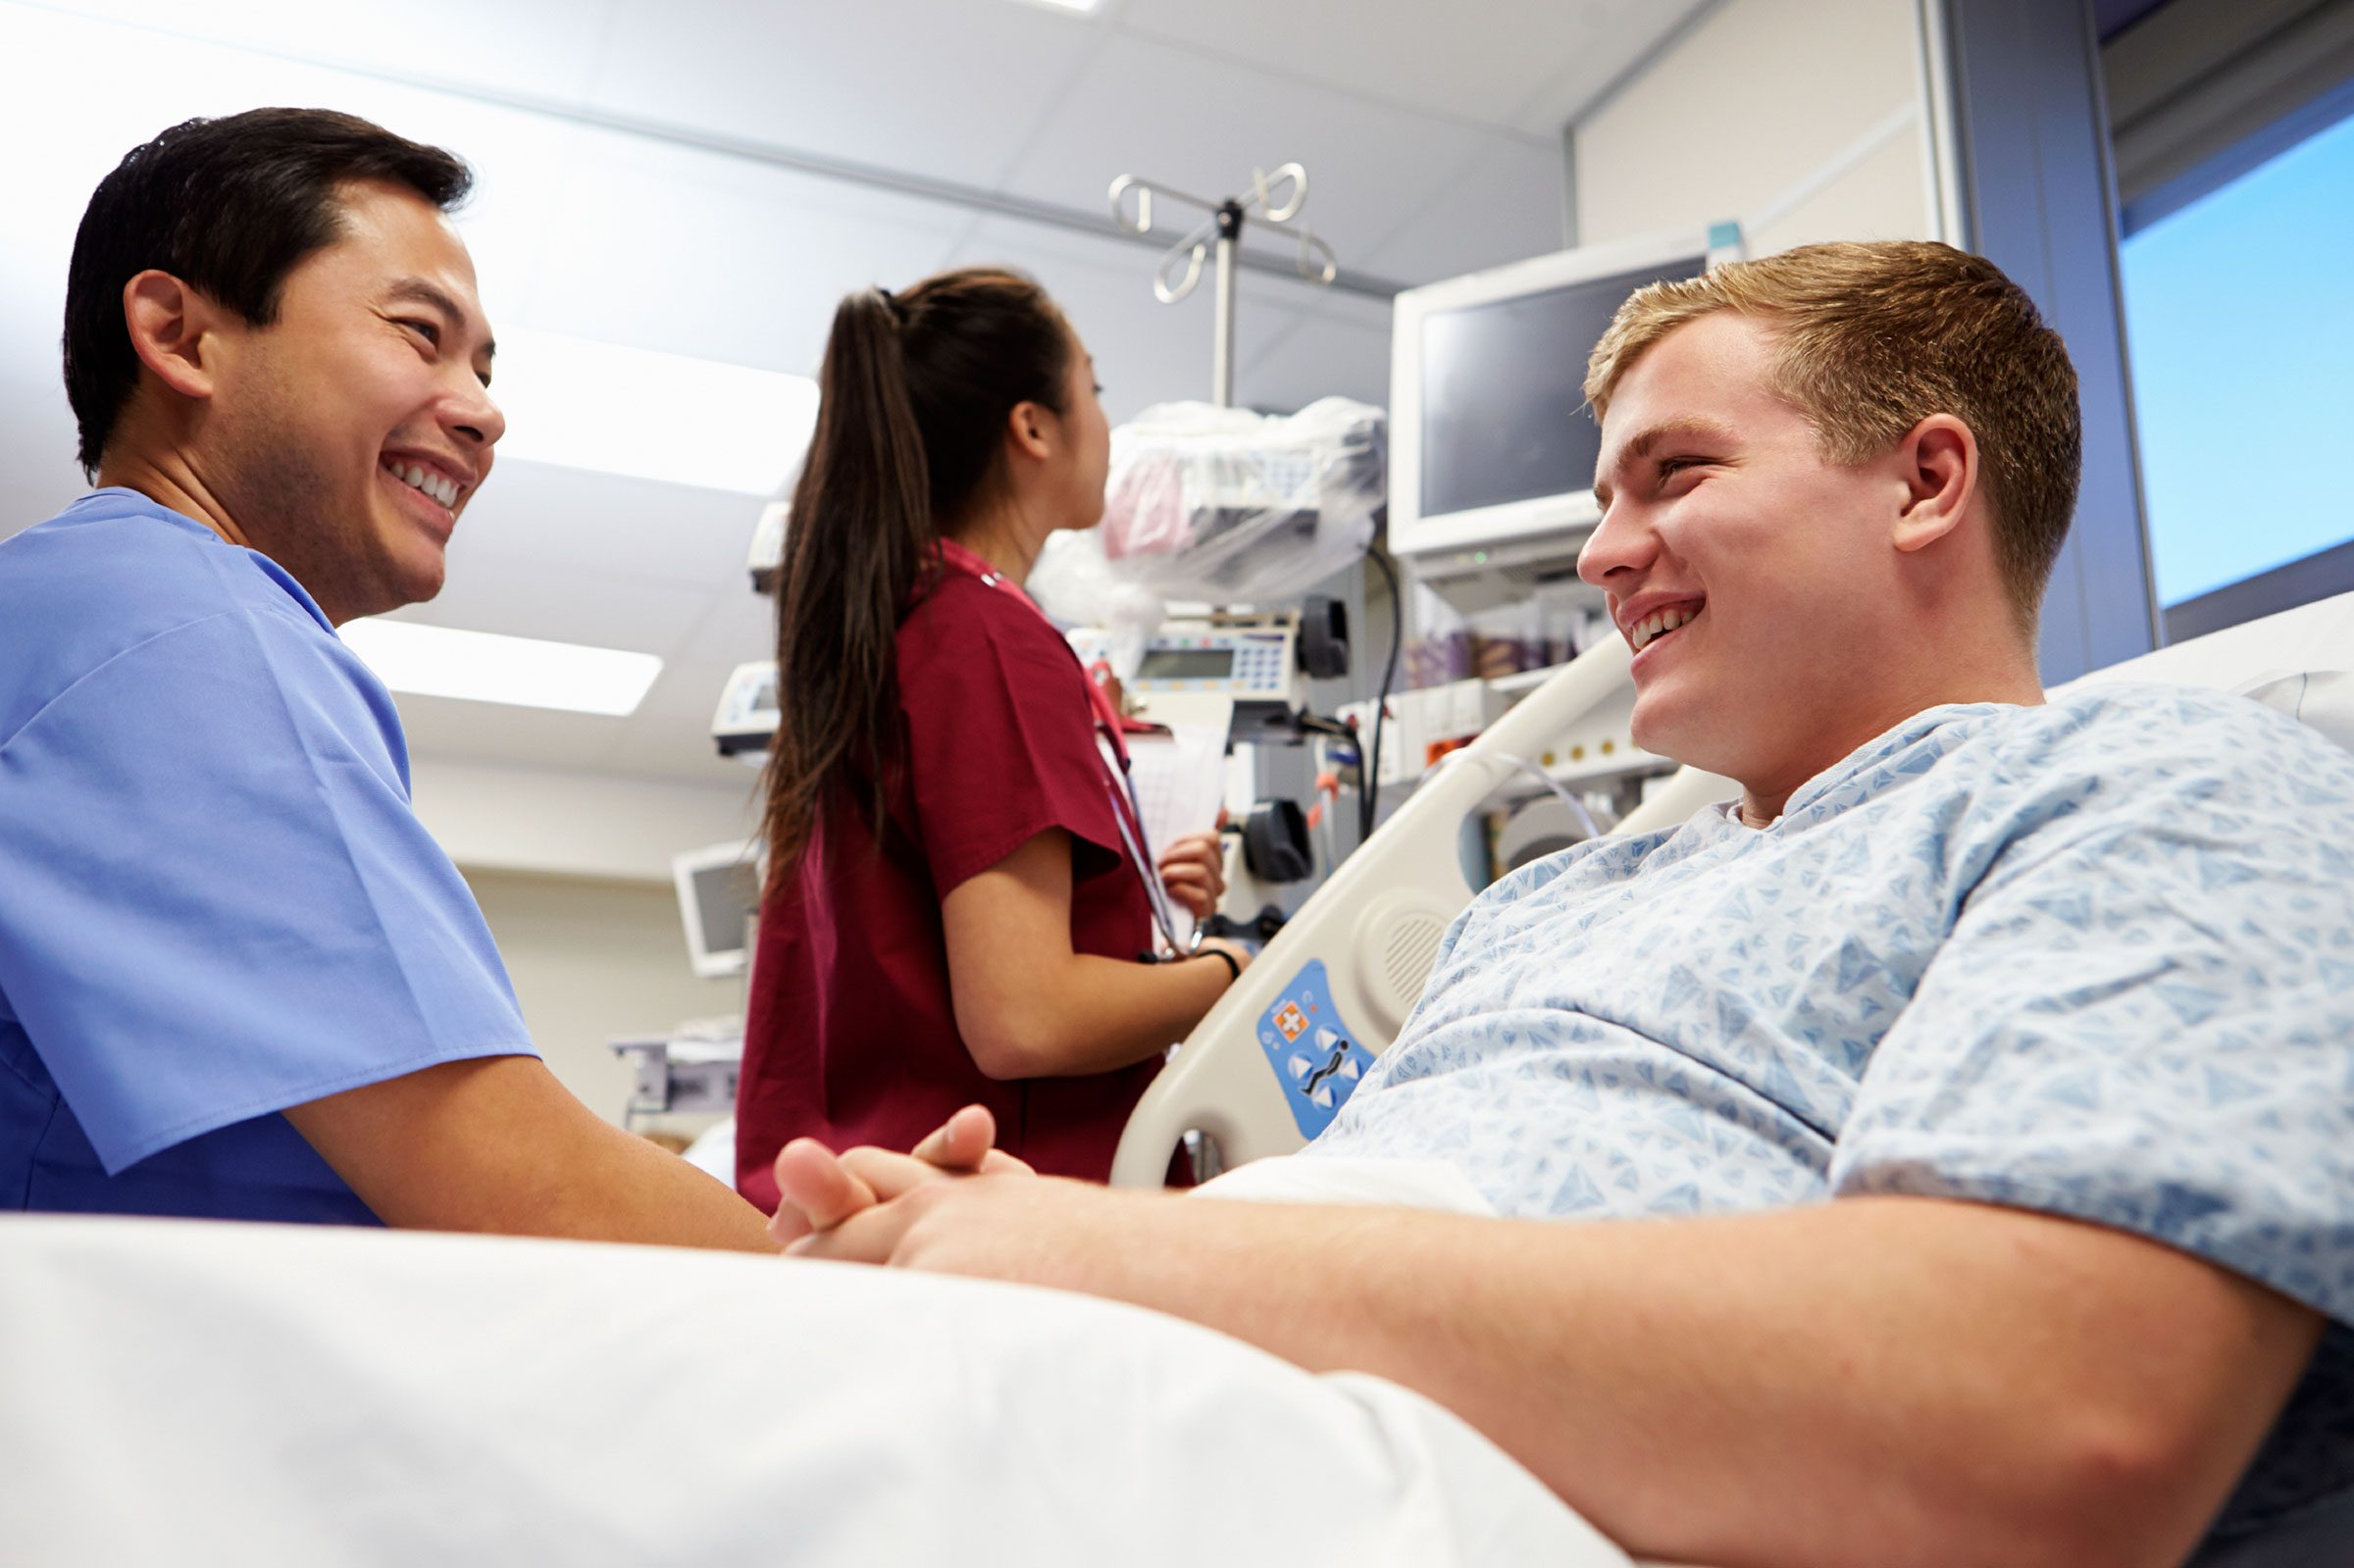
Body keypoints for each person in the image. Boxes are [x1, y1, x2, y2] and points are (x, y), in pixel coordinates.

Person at [765, 241, 2354, 1567]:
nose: (1605, 549)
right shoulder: (1549, 902)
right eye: (1604, 495)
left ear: (1929, 480)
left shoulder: (2154, 781)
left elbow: (2045, 1410)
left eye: (1677, 473)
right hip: (1165, 1379)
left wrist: (1105, 1256)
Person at [0, 108, 781, 1250]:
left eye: (483, 364)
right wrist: (886, 1279)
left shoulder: (75, 607)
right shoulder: (176, 628)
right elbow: (522, 1186)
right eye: (421, 334)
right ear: (180, 335)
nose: (484, 410)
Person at [737, 269, 1250, 1207]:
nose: (1104, 419)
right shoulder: (988, 636)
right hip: (1003, 1207)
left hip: (892, 1198)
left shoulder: (894, 625)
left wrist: (1138, 907)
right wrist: (1233, 970)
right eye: (1093, 388)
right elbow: (1026, 1019)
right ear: (1033, 427)